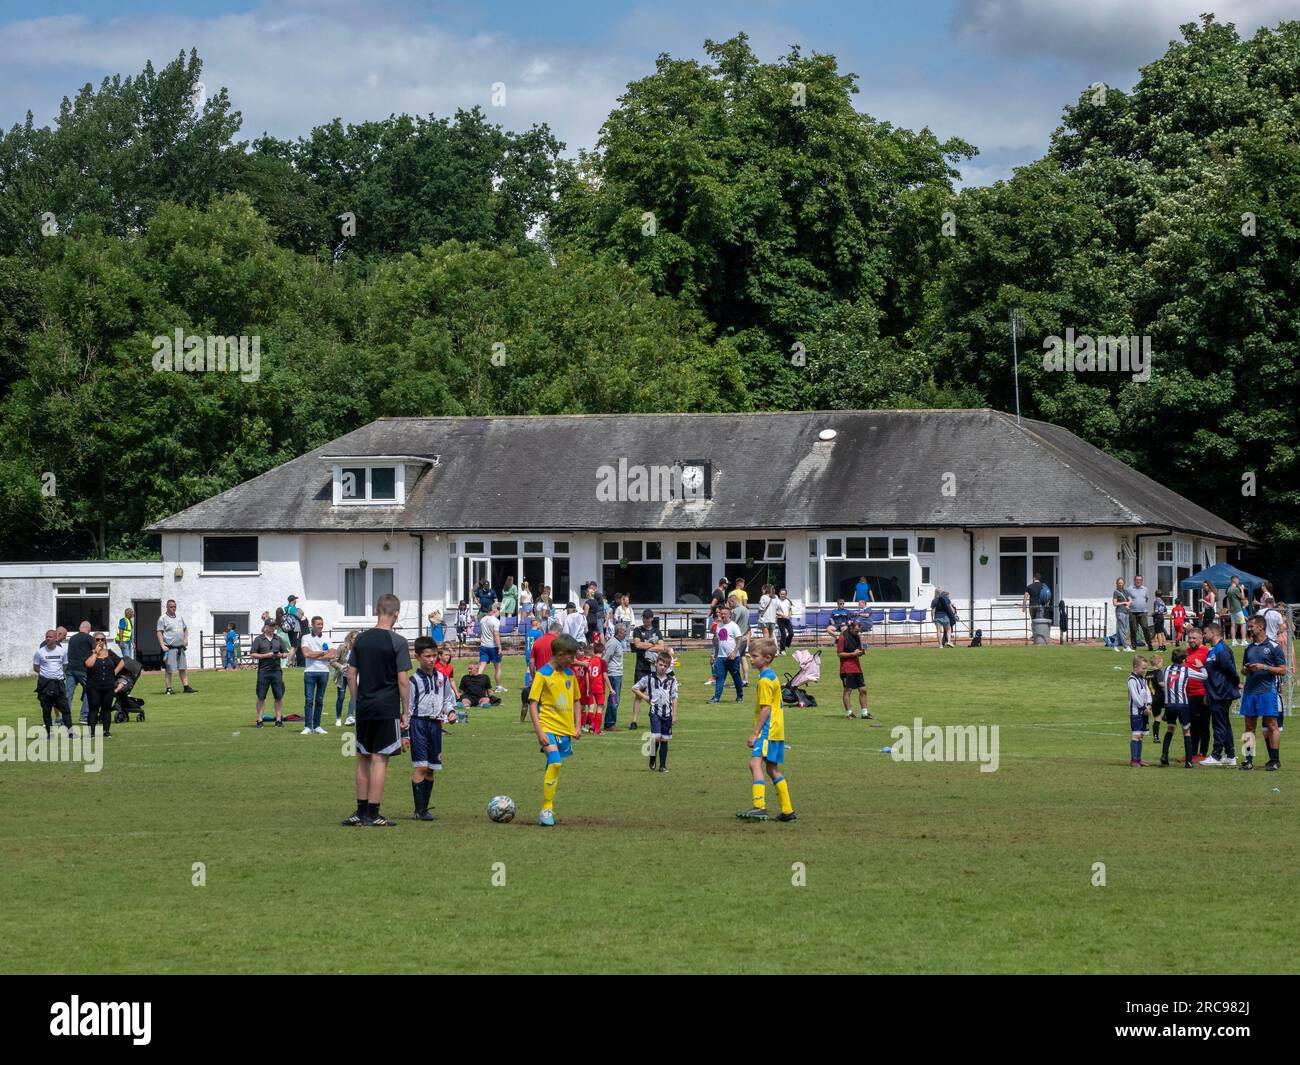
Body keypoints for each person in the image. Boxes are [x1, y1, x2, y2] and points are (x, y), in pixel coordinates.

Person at [342, 592, 411, 828]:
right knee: (380, 759)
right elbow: (403, 680)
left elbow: (351, 673)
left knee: (362, 758)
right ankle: (373, 814)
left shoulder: (360, 640)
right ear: (396, 613)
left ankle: (360, 812)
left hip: (365, 707)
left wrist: (356, 700)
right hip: (386, 707)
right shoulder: (398, 641)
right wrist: (406, 710)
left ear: (376, 611)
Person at [737, 638, 795, 821]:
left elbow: (766, 709)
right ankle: (787, 810)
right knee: (772, 769)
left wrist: (755, 733)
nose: (751, 659)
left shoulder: (764, 681)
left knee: (754, 764)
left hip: (767, 730)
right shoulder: (772, 676)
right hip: (777, 730)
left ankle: (759, 806)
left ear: (767, 658)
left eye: (754, 656)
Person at [528, 633, 580, 827]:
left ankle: (546, 806)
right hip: (548, 726)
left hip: (565, 730)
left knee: (553, 767)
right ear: (559, 654)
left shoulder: (570, 674)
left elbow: (576, 700)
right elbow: (533, 704)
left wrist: (576, 725)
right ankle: (546, 809)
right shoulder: (542, 674)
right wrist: (540, 732)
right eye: (571, 657)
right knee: (556, 763)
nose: (573, 661)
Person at [408, 636, 458, 820]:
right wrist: (405, 733)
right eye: (427, 656)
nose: (431, 659)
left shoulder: (442, 678)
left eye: (434, 655)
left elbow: (446, 700)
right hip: (418, 724)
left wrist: (450, 712)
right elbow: (408, 708)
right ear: (418, 657)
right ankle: (418, 810)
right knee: (421, 767)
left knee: (431, 768)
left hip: (436, 725)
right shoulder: (413, 681)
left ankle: (425, 808)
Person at [1239, 614, 1286, 771]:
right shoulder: (1249, 647)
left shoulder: (1274, 646)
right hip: (1250, 692)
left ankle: (1274, 760)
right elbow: (1243, 670)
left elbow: (1283, 670)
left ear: (1261, 627)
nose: (1249, 629)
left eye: (1251, 626)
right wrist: (1245, 669)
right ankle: (1248, 759)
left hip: (1267, 691)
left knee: (1272, 725)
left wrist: (1263, 667)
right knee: (1249, 726)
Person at [1201, 622, 1240, 766]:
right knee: (1224, 724)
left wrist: (1234, 685)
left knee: (1218, 725)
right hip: (1215, 692)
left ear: (1213, 633)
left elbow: (1231, 671)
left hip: (1221, 693)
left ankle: (1216, 755)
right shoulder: (1214, 650)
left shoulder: (1221, 650)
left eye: (1205, 633)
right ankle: (1230, 755)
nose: (1204, 636)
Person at [633, 650, 678, 772]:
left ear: (668, 667)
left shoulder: (671, 681)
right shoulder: (649, 678)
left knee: (665, 739)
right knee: (656, 737)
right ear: (656, 664)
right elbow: (635, 688)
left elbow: (674, 698)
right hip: (655, 713)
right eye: (660, 664)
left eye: (665, 666)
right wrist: (646, 697)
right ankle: (653, 757)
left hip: (667, 714)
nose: (662, 667)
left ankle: (662, 766)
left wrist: (674, 715)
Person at [1161, 648, 1203, 768]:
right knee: (1186, 731)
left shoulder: (1166, 669)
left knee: (1170, 729)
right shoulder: (1186, 670)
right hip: (1182, 705)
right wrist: (1201, 667)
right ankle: (1189, 761)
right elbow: (1204, 676)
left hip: (1169, 705)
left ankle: (1164, 755)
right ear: (1184, 659)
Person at [33, 630, 73, 737]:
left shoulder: (62, 651)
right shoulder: (40, 652)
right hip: (45, 684)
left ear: (56, 638)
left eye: (50, 637)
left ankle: (70, 733)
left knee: (65, 709)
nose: (48, 638)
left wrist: (57, 674)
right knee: (46, 710)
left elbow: (65, 665)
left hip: (58, 684)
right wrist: (47, 675)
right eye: (46, 637)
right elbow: (36, 667)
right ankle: (49, 733)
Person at [629, 610, 665, 728]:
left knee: (656, 694)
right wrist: (652, 645)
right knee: (638, 694)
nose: (646, 620)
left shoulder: (656, 631)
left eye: (648, 618)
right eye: (644, 618)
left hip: (654, 667)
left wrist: (647, 646)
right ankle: (634, 721)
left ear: (652, 619)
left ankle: (656, 718)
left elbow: (662, 647)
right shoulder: (638, 630)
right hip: (641, 666)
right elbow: (638, 645)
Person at [83, 633, 123, 740]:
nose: (100, 641)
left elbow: (121, 662)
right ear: (94, 641)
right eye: (97, 639)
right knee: (94, 709)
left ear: (105, 641)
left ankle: (106, 731)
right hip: (94, 687)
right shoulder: (90, 653)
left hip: (108, 686)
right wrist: (96, 652)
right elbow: (89, 664)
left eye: (102, 639)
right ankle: (91, 732)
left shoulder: (109, 653)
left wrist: (114, 672)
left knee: (106, 709)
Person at [250, 619, 289, 728]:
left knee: (278, 696)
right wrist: (266, 655)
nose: (273, 628)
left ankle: (278, 720)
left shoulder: (278, 639)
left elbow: (285, 653)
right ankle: (259, 720)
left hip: (276, 671)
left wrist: (280, 655)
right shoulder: (259, 639)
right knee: (261, 697)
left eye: (274, 626)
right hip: (263, 671)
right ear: (266, 626)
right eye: (271, 626)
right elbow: (252, 654)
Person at [300, 615, 334, 735]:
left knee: (319, 699)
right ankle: (308, 726)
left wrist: (314, 654)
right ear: (312, 625)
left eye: (321, 623)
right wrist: (321, 653)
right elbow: (306, 654)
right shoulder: (306, 637)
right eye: (318, 624)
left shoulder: (327, 638)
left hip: (324, 672)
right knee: (309, 700)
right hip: (310, 671)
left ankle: (317, 725)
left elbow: (331, 655)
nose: (320, 626)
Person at [157, 599, 196, 694]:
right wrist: (162, 645)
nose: (173, 608)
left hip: (180, 647)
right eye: (171, 607)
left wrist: (185, 639)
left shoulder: (179, 617)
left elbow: (185, 628)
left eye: (174, 606)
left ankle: (186, 687)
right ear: (167, 607)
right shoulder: (162, 618)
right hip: (169, 648)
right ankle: (169, 689)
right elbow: (159, 632)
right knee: (169, 669)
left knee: (183, 668)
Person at [708, 605, 744, 704]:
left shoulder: (734, 626)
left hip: (732, 657)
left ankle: (740, 696)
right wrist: (714, 656)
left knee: (736, 677)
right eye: (721, 613)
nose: (722, 615)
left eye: (724, 614)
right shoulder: (719, 625)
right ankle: (716, 698)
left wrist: (735, 652)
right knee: (719, 677)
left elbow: (739, 639)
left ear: (729, 615)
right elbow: (716, 640)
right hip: (720, 657)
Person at [1184, 627, 1211, 763]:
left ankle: (1203, 752)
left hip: (1201, 693)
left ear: (1201, 639)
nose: (1191, 640)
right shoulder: (1187, 652)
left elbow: (1209, 674)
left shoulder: (1206, 652)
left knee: (1203, 724)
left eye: (1194, 638)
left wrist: (1207, 693)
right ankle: (1192, 752)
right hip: (1188, 694)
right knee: (1191, 724)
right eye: (1189, 638)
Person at [837, 618, 871, 719]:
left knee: (863, 690)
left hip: (857, 668)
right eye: (856, 631)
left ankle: (864, 713)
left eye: (859, 631)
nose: (857, 633)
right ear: (851, 628)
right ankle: (849, 713)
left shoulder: (857, 637)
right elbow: (839, 654)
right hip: (846, 668)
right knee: (848, 690)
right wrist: (853, 654)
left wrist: (862, 652)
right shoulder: (843, 637)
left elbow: (858, 651)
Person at [576, 642, 607, 735]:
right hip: (591, 686)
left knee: (588, 707)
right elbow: (586, 675)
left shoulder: (587, 661)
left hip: (586, 687)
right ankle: (593, 728)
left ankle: (588, 726)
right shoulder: (594, 661)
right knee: (594, 707)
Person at [1126, 654, 1152, 767]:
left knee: (1141, 735)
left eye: (1146, 668)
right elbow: (1135, 697)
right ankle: (1134, 760)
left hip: (1145, 711)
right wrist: (1143, 708)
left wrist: (1149, 705)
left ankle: (1139, 758)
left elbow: (1148, 692)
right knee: (1136, 735)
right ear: (1135, 667)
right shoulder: (1132, 680)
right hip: (1136, 712)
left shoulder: (1143, 679)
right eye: (1143, 668)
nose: (1145, 670)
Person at [603, 621, 629, 730]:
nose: (626, 633)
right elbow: (605, 659)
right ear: (618, 632)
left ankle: (610, 722)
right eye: (624, 631)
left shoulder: (617, 642)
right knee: (614, 699)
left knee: (615, 699)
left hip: (617, 674)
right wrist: (605, 673)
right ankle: (610, 723)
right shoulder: (613, 643)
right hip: (613, 674)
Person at [66, 621, 94, 724]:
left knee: (68, 694)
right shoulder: (89, 638)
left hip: (70, 669)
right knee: (89, 691)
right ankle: (84, 716)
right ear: (88, 629)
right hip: (83, 670)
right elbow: (96, 651)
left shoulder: (72, 638)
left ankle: (65, 717)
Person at [332, 630, 359, 726]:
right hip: (342, 676)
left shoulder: (359, 649)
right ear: (350, 638)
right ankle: (338, 718)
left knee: (354, 697)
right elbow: (333, 661)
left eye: (357, 639)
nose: (356, 640)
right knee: (341, 697)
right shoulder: (342, 647)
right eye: (354, 638)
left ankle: (349, 716)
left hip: (354, 676)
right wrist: (342, 667)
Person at [478, 603, 505, 693]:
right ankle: (498, 686)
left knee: (481, 667)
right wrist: (500, 647)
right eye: (498, 611)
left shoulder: (482, 619)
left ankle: (476, 684)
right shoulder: (495, 621)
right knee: (497, 667)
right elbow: (496, 635)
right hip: (493, 647)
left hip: (483, 645)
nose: (499, 613)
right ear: (494, 610)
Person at [1125, 574, 1153, 651]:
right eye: (1137, 579)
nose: (1138, 581)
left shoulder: (1145, 589)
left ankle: (1150, 645)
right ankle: (1134, 645)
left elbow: (1146, 599)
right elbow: (1126, 599)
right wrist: (1127, 606)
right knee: (1133, 629)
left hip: (1143, 612)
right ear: (1134, 580)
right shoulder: (1129, 589)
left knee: (1145, 628)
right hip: (1132, 612)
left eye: (1140, 580)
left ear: (1142, 581)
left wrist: (1141, 605)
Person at [730, 593, 751, 684]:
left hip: (737, 639)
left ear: (733, 601)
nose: (729, 605)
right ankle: (745, 680)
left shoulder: (735, 610)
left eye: (729, 603)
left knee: (736, 661)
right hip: (744, 638)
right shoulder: (746, 609)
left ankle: (737, 681)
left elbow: (731, 623)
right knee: (743, 659)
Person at [1224, 575, 1247, 646]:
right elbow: (1243, 597)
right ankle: (1243, 640)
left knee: (1234, 625)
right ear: (1234, 580)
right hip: (1237, 609)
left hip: (1232, 610)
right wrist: (1242, 589)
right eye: (1238, 580)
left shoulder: (1229, 589)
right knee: (1243, 624)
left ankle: (1234, 641)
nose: (1239, 582)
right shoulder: (1236, 589)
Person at [282, 596, 304, 667]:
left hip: (289, 628)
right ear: (293, 600)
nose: (296, 601)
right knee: (294, 646)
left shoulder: (286, 608)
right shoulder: (292, 608)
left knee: (294, 646)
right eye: (295, 600)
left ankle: (293, 663)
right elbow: (300, 616)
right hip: (295, 628)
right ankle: (289, 663)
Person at [1111, 579, 1132, 652]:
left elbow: (1130, 600)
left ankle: (1115, 645)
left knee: (1124, 630)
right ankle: (1126, 647)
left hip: (1126, 612)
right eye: (1119, 583)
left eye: (1122, 583)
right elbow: (1114, 603)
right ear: (1117, 584)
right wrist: (1124, 603)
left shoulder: (1126, 591)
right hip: (1120, 612)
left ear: (1124, 583)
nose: (1120, 584)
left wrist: (1128, 604)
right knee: (1122, 630)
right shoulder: (1116, 592)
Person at [774, 588, 794, 653]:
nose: (782, 595)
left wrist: (789, 615)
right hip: (780, 619)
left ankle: (786, 644)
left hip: (787, 619)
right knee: (783, 634)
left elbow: (790, 610)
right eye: (781, 594)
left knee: (791, 633)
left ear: (786, 595)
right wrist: (782, 615)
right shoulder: (776, 601)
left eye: (784, 594)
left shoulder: (788, 601)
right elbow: (775, 611)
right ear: (779, 594)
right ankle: (782, 650)